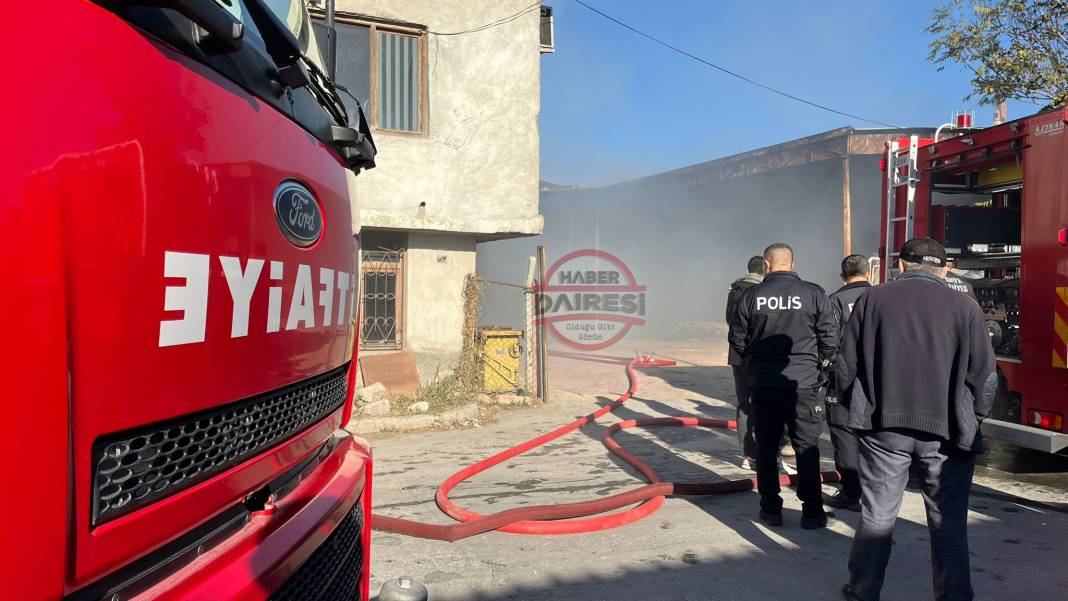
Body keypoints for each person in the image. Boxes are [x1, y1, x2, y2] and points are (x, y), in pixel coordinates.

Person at [836, 238, 996, 601]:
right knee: (948, 520)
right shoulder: (965, 307)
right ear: (944, 269)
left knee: (877, 514)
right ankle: (954, 595)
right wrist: (972, 419)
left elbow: (846, 365)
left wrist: (856, 407)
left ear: (902, 266)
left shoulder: (871, 300)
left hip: (883, 428)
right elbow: (985, 379)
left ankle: (863, 590)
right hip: (947, 431)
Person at [728, 243, 838, 529]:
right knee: (806, 447)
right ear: (791, 263)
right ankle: (813, 512)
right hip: (804, 384)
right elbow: (830, 336)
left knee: (766, 448)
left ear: (767, 263)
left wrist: (753, 369)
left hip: (764, 384)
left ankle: (770, 510)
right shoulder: (813, 293)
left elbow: (737, 340)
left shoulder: (752, 296)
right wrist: (822, 367)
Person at [824, 254, 872, 512]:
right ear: (869, 273)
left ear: (842, 276)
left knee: (844, 434)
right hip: (877, 378)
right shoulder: (883, 298)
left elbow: (829, 342)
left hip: (843, 379)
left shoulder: (835, 300)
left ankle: (851, 493)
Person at [726, 256, 765, 469]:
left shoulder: (736, 289)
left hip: (738, 356)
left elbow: (729, 320)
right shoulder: (765, 291)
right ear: (765, 269)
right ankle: (769, 452)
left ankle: (747, 455)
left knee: (743, 403)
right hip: (759, 355)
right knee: (766, 402)